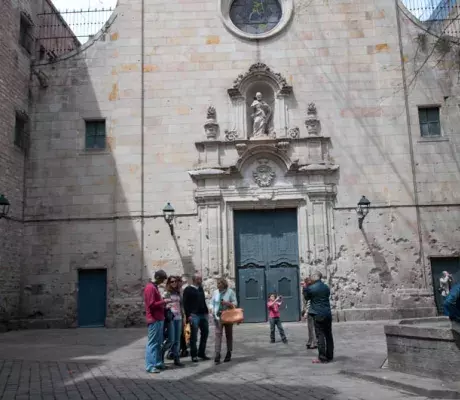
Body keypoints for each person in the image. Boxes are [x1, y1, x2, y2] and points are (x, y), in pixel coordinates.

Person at [144, 270, 171, 374]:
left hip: (159, 318)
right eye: (163, 279)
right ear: (158, 277)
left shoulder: (154, 287)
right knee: (152, 343)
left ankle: (157, 363)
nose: (163, 282)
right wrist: (164, 301)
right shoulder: (150, 288)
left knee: (158, 342)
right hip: (154, 319)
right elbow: (151, 304)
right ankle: (150, 365)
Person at [304, 271, 333, 364]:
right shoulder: (326, 287)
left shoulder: (311, 288)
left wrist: (305, 287)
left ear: (315, 277)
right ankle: (330, 355)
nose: (310, 277)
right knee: (328, 335)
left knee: (320, 335)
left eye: (311, 276)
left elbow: (306, 298)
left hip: (317, 314)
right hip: (327, 313)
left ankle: (322, 357)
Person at [183, 275, 210, 362]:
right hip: (194, 315)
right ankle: (194, 355)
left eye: (201, 279)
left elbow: (203, 301)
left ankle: (201, 353)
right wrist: (188, 316)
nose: (200, 280)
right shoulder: (188, 289)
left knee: (205, 333)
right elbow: (185, 303)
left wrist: (206, 311)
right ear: (194, 279)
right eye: (199, 279)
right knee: (194, 336)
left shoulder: (200, 288)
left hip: (203, 314)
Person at [211, 278, 238, 364]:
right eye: (217, 283)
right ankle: (217, 354)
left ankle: (229, 352)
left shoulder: (230, 292)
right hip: (218, 316)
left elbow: (235, 303)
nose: (218, 285)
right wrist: (211, 309)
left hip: (228, 315)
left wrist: (228, 303)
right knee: (218, 335)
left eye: (219, 283)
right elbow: (212, 303)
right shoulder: (215, 292)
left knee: (228, 334)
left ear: (224, 284)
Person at [162, 276, 184, 367]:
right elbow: (163, 305)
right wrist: (167, 306)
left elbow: (181, 305)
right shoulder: (166, 293)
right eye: (172, 281)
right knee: (171, 340)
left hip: (178, 318)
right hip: (171, 318)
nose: (174, 283)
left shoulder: (178, 292)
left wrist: (183, 316)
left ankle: (176, 358)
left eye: (175, 281)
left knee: (177, 340)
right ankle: (160, 356)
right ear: (169, 283)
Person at [302, 277, 318, 350]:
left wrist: (306, 312)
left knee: (312, 328)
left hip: (311, 311)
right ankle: (310, 341)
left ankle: (313, 343)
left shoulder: (308, 291)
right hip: (314, 311)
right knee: (311, 328)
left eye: (304, 283)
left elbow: (308, 302)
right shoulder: (312, 289)